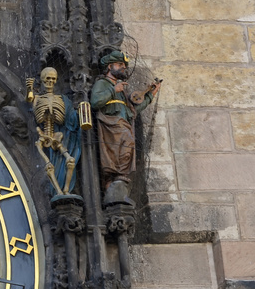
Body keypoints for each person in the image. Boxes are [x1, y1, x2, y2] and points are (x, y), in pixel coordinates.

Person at [90, 51, 161, 203]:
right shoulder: (103, 83)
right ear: (110, 67)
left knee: (127, 148)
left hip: (123, 125)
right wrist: (113, 90)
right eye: (120, 64)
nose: (123, 67)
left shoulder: (122, 88)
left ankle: (117, 185)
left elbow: (132, 111)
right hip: (111, 127)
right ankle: (113, 185)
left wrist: (150, 95)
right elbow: (95, 102)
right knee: (122, 149)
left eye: (124, 65)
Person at [27, 66, 81, 197]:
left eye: (53, 79)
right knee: (49, 165)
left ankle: (66, 190)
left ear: (56, 80)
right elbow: (30, 100)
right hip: (43, 135)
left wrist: (80, 112)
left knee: (70, 160)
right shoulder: (37, 98)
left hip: (58, 136)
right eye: (47, 79)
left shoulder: (63, 100)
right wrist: (29, 89)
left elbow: (70, 117)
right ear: (42, 80)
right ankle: (58, 191)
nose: (50, 82)